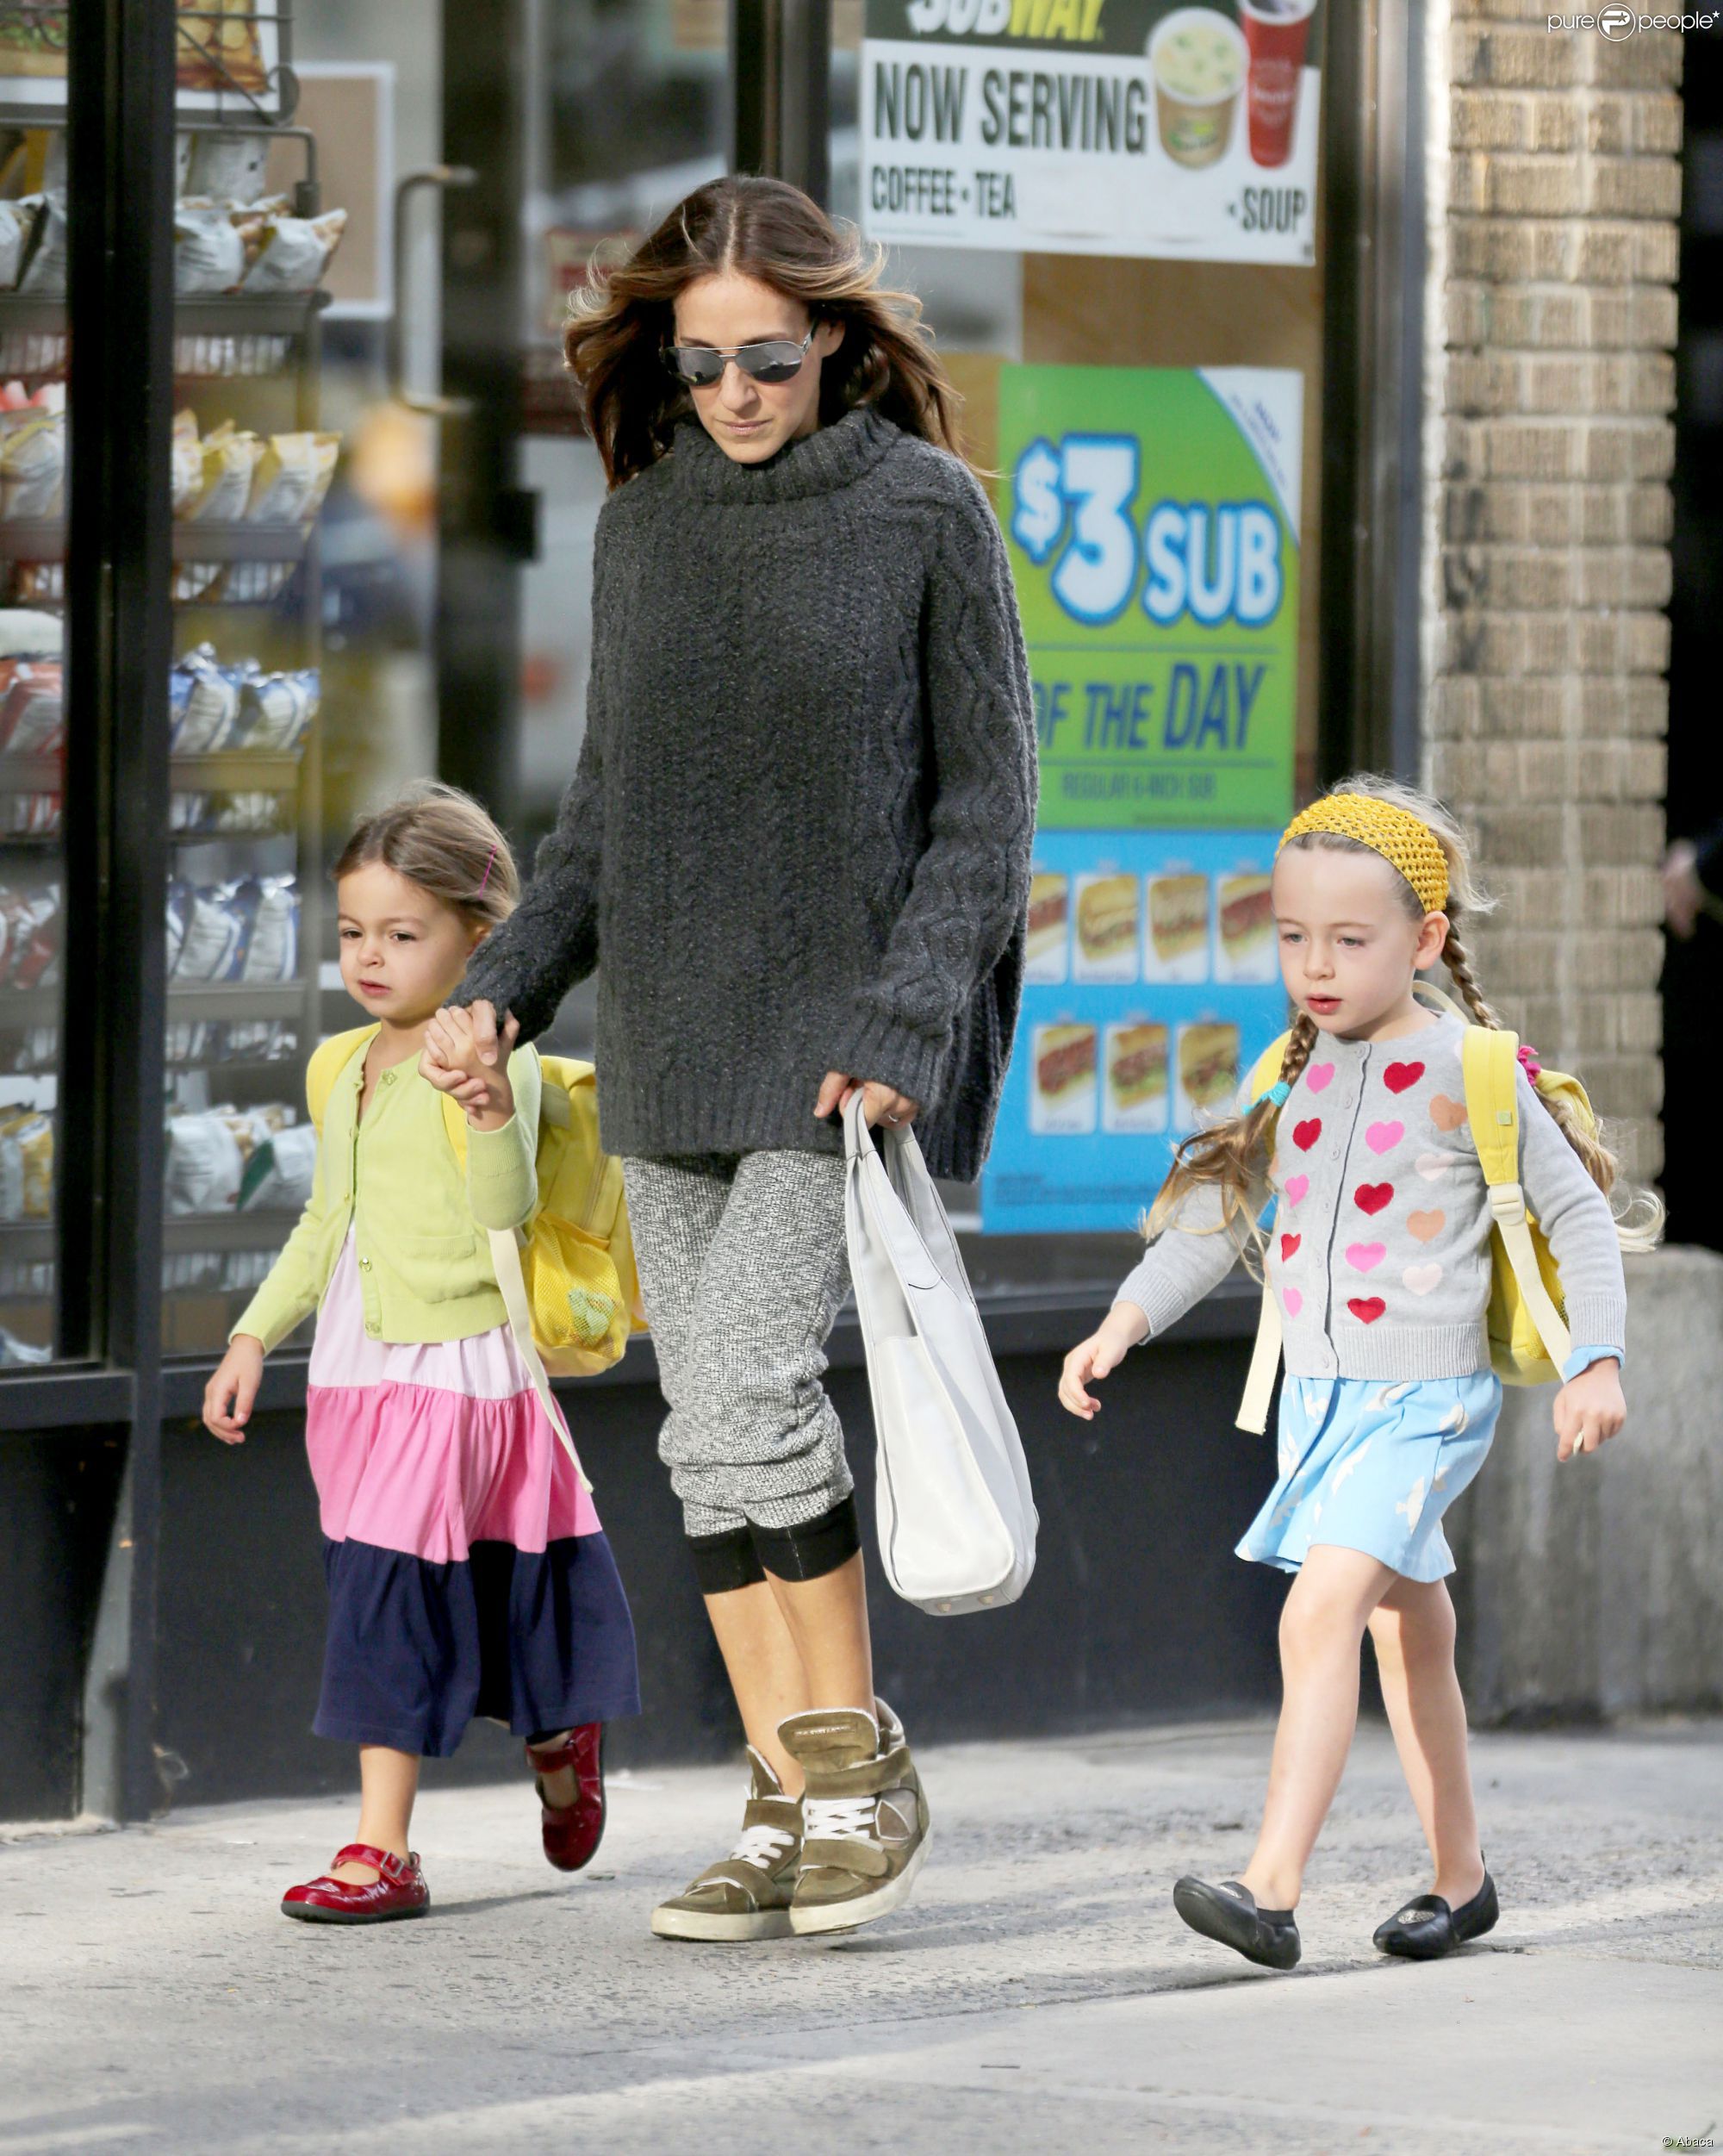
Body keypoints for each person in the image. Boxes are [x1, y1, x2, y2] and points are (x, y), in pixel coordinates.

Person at [424, 175, 1036, 1941]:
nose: (735, 393)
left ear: (832, 338)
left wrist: (906, 1018)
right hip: (674, 1037)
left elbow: (989, 810)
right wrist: (505, 992)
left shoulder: (925, 509)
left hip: (840, 1054)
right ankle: (782, 1797)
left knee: (754, 1392)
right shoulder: (644, 531)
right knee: (704, 1438)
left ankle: (855, 1774)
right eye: (701, 366)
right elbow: (603, 819)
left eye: (767, 357)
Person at [1059, 776, 1658, 1970]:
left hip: (1425, 1404)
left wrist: (1597, 1359)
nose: (1315, 966)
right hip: (1318, 1403)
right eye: (1292, 937)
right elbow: (1215, 1220)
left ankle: (1271, 1889)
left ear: (1425, 939)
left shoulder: (1472, 1070)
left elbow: (1580, 1219)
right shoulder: (1290, 1076)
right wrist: (1122, 1321)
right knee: (1406, 1637)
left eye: (1347, 939)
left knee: (1319, 1609)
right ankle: (1462, 1882)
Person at [202, 782, 639, 1924]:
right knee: (448, 1582)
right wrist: (252, 1334)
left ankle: (380, 1847)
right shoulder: (339, 1064)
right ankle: (559, 1743)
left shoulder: (497, 1059)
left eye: (403, 934)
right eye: (354, 930)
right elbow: (324, 1220)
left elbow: (506, 1207)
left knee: (387, 1591)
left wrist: (489, 1105)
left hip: (457, 1369)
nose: (370, 956)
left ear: (479, 940)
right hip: (354, 1369)